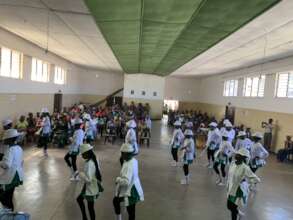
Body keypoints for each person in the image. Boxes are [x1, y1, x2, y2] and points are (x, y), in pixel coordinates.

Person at [227, 148, 260, 220]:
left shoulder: (245, 168)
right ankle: (239, 214)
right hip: (230, 187)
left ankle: (237, 216)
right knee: (229, 206)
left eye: (240, 155)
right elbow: (230, 176)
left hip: (237, 190)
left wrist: (246, 182)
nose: (237, 155)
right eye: (237, 154)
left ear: (243, 158)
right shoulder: (232, 163)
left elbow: (256, 179)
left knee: (232, 207)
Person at [113, 143, 144, 220]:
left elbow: (126, 181)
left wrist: (118, 179)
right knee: (130, 210)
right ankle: (119, 218)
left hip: (130, 191)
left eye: (122, 153)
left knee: (130, 211)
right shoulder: (134, 160)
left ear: (126, 154)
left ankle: (119, 218)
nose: (121, 155)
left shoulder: (128, 165)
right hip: (134, 186)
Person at [77, 144, 103, 220]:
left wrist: (80, 174)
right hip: (92, 185)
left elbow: (88, 179)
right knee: (82, 201)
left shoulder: (89, 164)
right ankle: (84, 217)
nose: (81, 156)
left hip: (91, 187)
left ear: (87, 153)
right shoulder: (94, 158)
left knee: (90, 207)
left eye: (82, 154)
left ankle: (85, 217)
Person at [0, 129, 24, 211]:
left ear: (9, 139)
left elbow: (6, 165)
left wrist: (0, 162)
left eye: (5, 139)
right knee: (8, 196)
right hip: (17, 176)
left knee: (4, 197)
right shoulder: (19, 148)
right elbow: (21, 162)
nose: (4, 140)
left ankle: (8, 213)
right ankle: (10, 212)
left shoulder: (10, 150)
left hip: (11, 177)